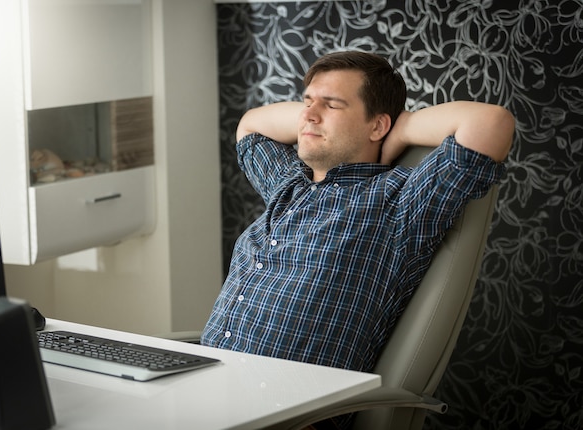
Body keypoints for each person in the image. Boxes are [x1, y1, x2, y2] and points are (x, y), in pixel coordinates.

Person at [201, 51, 515, 429]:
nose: (308, 115)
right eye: (306, 102)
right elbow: (250, 126)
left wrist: (403, 127)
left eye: (332, 105)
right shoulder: (289, 185)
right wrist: (316, 111)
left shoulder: (397, 204)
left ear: (377, 125)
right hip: (205, 389)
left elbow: (490, 123)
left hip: (279, 415)